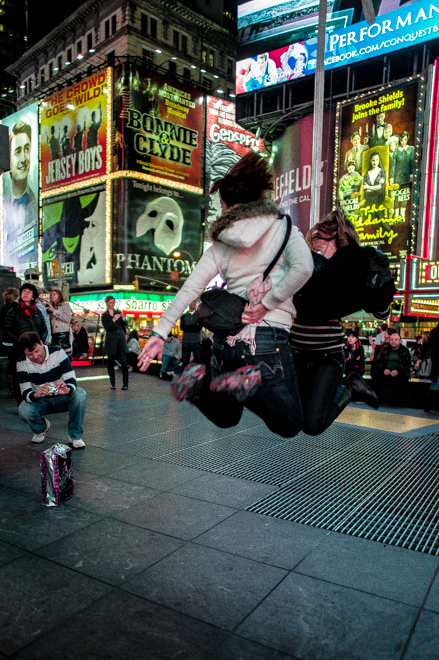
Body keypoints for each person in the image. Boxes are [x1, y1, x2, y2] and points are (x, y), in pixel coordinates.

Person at [137, 151, 314, 438]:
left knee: (226, 416)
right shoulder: (283, 227)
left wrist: (159, 333)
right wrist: (266, 304)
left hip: (227, 340)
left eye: (222, 205)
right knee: (291, 423)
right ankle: (252, 386)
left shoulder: (220, 245)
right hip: (268, 338)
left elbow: (190, 289)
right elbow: (304, 268)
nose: (221, 213)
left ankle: (197, 386)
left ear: (234, 204)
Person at [290, 210, 394, 436]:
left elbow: (381, 308)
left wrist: (378, 290)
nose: (315, 244)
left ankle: (351, 387)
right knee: (292, 417)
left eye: (321, 240)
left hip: (327, 357)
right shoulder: (309, 265)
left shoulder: (352, 270)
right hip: (297, 352)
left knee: (312, 425)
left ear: (336, 238)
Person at [16, 331, 87, 448]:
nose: (35, 356)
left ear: (41, 343)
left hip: (62, 396)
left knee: (80, 394)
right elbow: (25, 392)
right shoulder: (21, 363)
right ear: (24, 352)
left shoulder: (58, 352)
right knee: (23, 409)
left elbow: (71, 380)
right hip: (41, 400)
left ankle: (75, 436)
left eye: (36, 351)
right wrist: (36, 394)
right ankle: (41, 428)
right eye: (30, 354)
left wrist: (66, 389)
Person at [2, 120, 38, 275]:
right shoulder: (3, 204)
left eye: (27, 149)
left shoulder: (36, 202)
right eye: (17, 151)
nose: (24, 158)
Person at [3, 283, 48, 354]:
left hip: (35, 348)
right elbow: (7, 329)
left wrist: (40, 340)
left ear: (33, 297)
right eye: (24, 291)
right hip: (19, 348)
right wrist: (19, 340)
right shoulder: (14, 311)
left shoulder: (38, 312)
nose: (26, 293)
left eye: (29, 292)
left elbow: (44, 328)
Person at [371, 332, 411, 406]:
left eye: (396, 340)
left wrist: (398, 371)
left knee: (403, 377)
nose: (394, 341)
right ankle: (375, 399)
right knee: (375, 374)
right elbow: (379, 362)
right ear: (389, 341)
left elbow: (407, 365)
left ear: (400, 341)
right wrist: (384, 369)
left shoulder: (404, 350)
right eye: (392, 340)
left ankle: (399, 401)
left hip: (399, 372)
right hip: (386, 371)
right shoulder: (385, 348)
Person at [102, 296, 129, 390]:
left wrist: (123, 318)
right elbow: (107, 328)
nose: (112, 304)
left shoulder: (118, 312)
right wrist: (113, 320)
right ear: (106, 303)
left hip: (120, 340)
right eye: (110, 302)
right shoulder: (104, 315)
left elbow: (124, 324)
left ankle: (125, 383)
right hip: (111, 341)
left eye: (113, 302)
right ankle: (112, 383)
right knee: (110, 363)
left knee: (124, 362)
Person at [0, 287, 20, 400]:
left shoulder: (3, 309)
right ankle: (17, 388)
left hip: (5, 341)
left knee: (10, 365)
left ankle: (11, 390)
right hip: (15, 340)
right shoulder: (16, 308)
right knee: (17, 364)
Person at [46, 289, 73, 356]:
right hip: (54, 335)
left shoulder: (65, 305)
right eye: (51, 295)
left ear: (59, 295)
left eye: (54, 294)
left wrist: (54, 311)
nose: (52, 296)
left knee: (64, 354)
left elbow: (67, 318)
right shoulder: (50, 306)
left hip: (63, 333)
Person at [180, 300, 203, 368]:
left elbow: (199, 328)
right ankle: (185, 376)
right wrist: (194, 325)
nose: (194, 304)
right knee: (185, 362)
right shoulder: (184, 316)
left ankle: (198, 376)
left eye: (195, 302)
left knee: (199, 361)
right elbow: (182, 328)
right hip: (186, 341)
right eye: (192, 302)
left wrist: (188, 327)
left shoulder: (199, 316)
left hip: (196, 341)